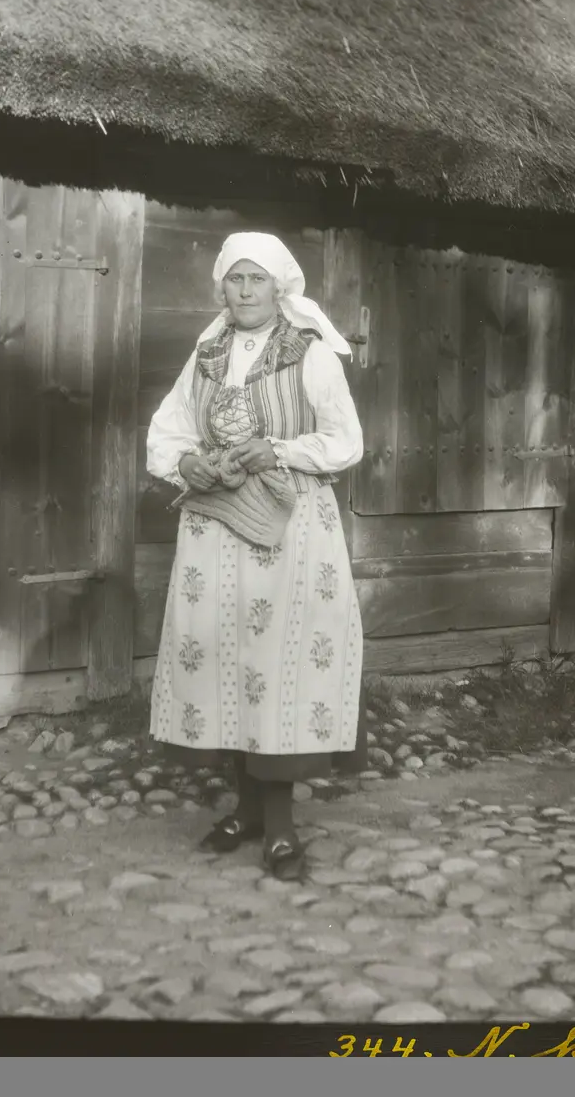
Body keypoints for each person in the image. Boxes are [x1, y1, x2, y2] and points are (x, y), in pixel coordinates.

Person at [146, 232, 366, 881]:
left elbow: (346, 440)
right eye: (235, 279)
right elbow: (169, 429)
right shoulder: (207, 353)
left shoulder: (311, 352)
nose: (244, 292)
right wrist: (187, 462)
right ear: (222, 285)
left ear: (280, 287)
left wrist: (281, 450)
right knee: (227, 660)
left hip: (290, 529)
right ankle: (244, 810)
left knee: (277, 665)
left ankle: (279, 825)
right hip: (216, 528)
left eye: (257, 280)